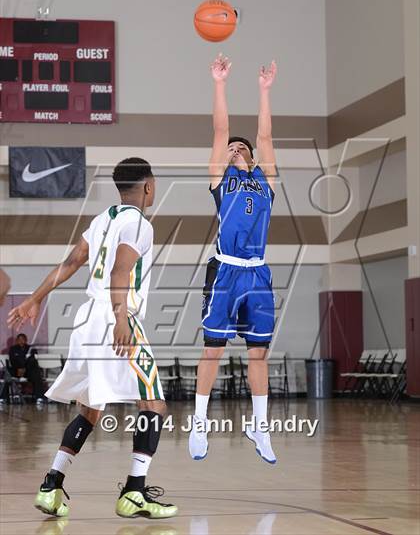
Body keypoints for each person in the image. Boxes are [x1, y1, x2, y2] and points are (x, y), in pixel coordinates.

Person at [8, 157, 177, 519]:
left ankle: (52, 485)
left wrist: (34, 298)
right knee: (153, 403)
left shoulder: (103, 220)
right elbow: (120, 270)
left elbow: (70, 263)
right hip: (116, 317)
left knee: (90, 408)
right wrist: (120, 318)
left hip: (86, 321)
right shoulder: (139, 224)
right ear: (148, 186)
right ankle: (134, 492)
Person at [189, 54, 278, 464]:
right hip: (225, 271)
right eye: (230, 149)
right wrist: (219, 83)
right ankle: (200, 423)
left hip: (257, 273)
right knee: (213, 351)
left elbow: (264, 136)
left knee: (258, 354)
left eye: (241, 148)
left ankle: (259, 428)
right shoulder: (220, 182)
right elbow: (220, 128)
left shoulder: (265, 180)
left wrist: (263, 91)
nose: (235, 148)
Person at [8, 333, 45, 403]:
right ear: (17, 341)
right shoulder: (13, 349)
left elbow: (33, 360)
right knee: (6, 374)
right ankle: (3, 399)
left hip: (28, 371)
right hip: (17, 370)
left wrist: (25, 367)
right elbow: (12, 360)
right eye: (19, 340)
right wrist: (20, 367)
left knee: (36, 374)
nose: (21, 341)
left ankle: (39, 398)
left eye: (23, 339)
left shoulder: (31, 349)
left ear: (26, 340)